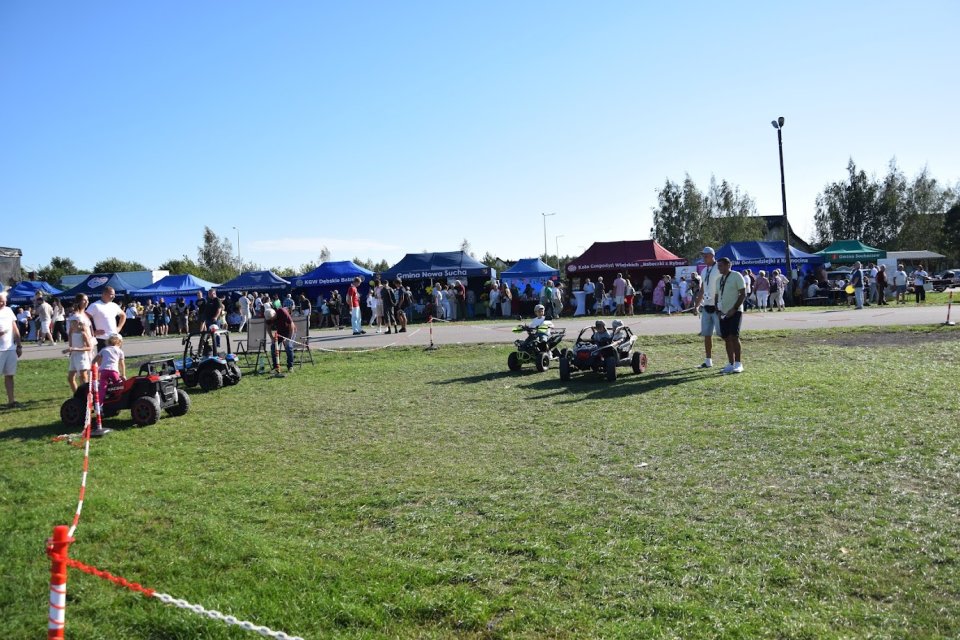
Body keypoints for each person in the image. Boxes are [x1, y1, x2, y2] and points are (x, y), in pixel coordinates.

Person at [715, 257, 746, 374]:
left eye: (721, 266)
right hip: (723, 312)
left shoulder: (736, 275)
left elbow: (743, 294)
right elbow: (717, 296)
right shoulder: (719, 280)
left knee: (734, 336)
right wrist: (718, 311)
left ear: (728, 265)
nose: (719, 268)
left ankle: (738, 363)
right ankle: (730, 363)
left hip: (735, 311)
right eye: (718, 266)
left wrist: (734, 308)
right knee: (726, 338)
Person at [695, 246, 721, 368]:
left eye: (705, 255)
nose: (703, 257)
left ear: (712, 255)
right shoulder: (704, 271)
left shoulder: (719, 268)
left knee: (724, 334)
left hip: (718, 307)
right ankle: (708, 360)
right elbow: (702, 289)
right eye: (703, 255)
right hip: (706, 307)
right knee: (707, 334)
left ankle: (732, 362)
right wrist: (696, 305)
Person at [64, 294, 95, 392]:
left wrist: (91, 337)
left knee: (83, 375)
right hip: (76, 350)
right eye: (84, 300)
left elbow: (87, 331)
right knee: (72, 377)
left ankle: (86, 395)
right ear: (78, 302)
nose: (87, 302)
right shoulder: (75, 316)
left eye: (87, 300)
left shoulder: (85, 315)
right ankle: (78, 396)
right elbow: (70, 333)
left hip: (84, 348)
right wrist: (71, 347)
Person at [0, 292, 24, 408]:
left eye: (4, 301)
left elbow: (15, 328)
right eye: (1, 301)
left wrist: (19, 346)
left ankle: (11, 401)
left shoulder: (9, 310)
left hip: (10, 348)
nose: (3, 303)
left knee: (9, 375)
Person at [86, 286, 126, 351]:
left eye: (114, 295)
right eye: (112, 294)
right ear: (104, 294)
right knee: (104, 356)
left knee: (116, 356)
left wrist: (119, 327)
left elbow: (123, 315)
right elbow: (84, 319)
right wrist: (92, 332)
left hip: (114, 337)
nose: (114, 297)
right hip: (102, 338)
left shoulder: (114, 305)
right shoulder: (95, 305)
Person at [93, 333, 126, 404]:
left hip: (104, 371)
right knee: (118, 385)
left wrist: (94, 367)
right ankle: (117, 399)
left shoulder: (104, 349)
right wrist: (123, 375)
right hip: (113, 371)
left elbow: (95, 360)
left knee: (102, 388)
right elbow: (122, 364)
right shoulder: (120, 351)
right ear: (120, 342)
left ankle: (99, 404)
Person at [266, 305, 296, 375]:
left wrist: (288, 339)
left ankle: (290, 366)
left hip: (290, 331)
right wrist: (272, 338)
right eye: (270, 319)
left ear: (274, 314)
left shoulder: (282, 312)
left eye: (272, 319)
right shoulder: (268, 316)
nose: (272, 320)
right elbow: (268, 327)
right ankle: (275, 367)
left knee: (288, 347)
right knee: (273, 347)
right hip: (280, 333)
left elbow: (291, 325)